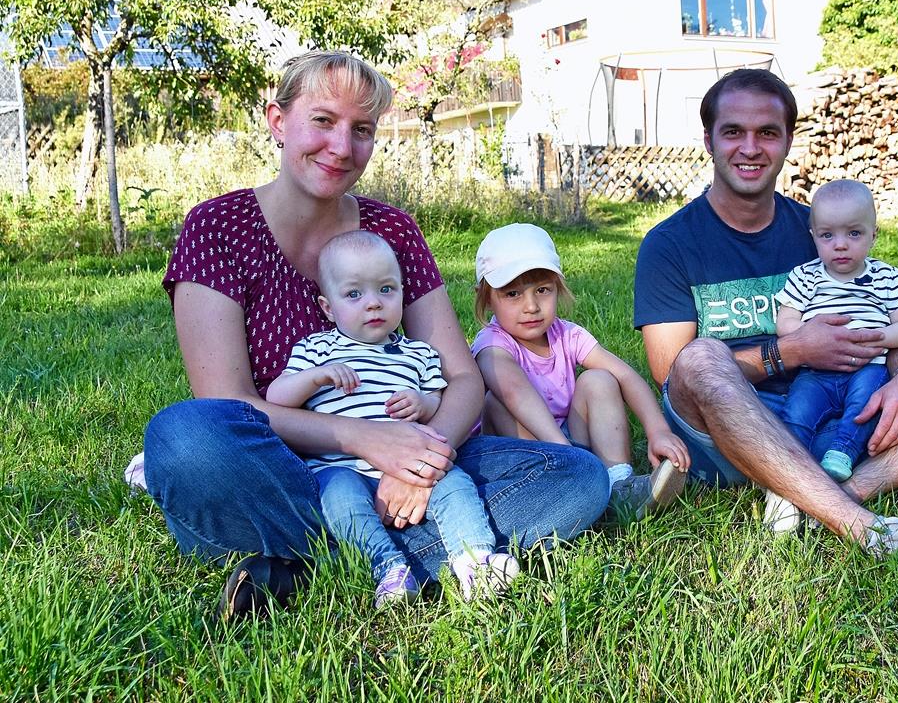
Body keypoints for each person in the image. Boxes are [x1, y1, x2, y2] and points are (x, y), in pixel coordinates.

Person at [139, 51, 609, 621]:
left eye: (361, 130)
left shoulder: (393, 229)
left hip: (416, 450)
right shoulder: (217, 227)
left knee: (579, 477)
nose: (342, 146)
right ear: (277, 120)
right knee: (186, 436)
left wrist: (421, 461)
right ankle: (410, 553)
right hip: (283, 465)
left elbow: (461, 378)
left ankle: (311, 562)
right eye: (322, 120)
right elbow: (229, 402)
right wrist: (364, 440)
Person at [633, 68, 898, 587]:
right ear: (708, 140)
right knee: (701, 356)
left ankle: (813, 498)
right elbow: (673, 374)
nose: (751, 147)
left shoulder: (823, 227)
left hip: (838, 416)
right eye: (733, 131)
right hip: (730, 428)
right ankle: (870, 530)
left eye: (767, 132)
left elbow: (897, 328)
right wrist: (793, 352)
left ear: (788, 140)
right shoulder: (669, 245)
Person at [266, 231, 518, 604]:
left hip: (411, 465)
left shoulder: (416, 353)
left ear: (402, 292)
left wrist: (423, 404)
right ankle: (389, 568)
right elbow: (276, 398)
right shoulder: (316, 349)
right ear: (328, 307)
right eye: (354, 294)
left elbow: (438, 397)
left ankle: (474, 559)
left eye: (386, 290)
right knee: (338, 500)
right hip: (341, 467)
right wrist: (316, 377)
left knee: (456, 485)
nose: (373, 304)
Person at [471, 223, 690, 519]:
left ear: (558, 289)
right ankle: (554, 489)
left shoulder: (566, 335)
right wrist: (566, 454)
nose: (532, 306)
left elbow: (625, 375)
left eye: (542, 290)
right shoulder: (492, 343)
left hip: (572, 444)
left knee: (599, 380)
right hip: (530, 455)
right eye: (512, 294)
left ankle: (617, 485)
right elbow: (514, 392)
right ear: (486, 299)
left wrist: (658, 430)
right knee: (495, 402)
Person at [775, 179, 898, 484]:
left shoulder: (885, 276)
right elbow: (785, 323)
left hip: (868, 366)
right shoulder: (805, 276)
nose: (840, 244)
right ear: (813, 237)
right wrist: (809, 337)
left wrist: (879, 338)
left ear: (873, 235)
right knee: (798, 409)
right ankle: (787, 461)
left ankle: (842, 452)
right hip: (816, 370)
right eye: (827, 235)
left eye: (854, 233)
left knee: (865, 406)